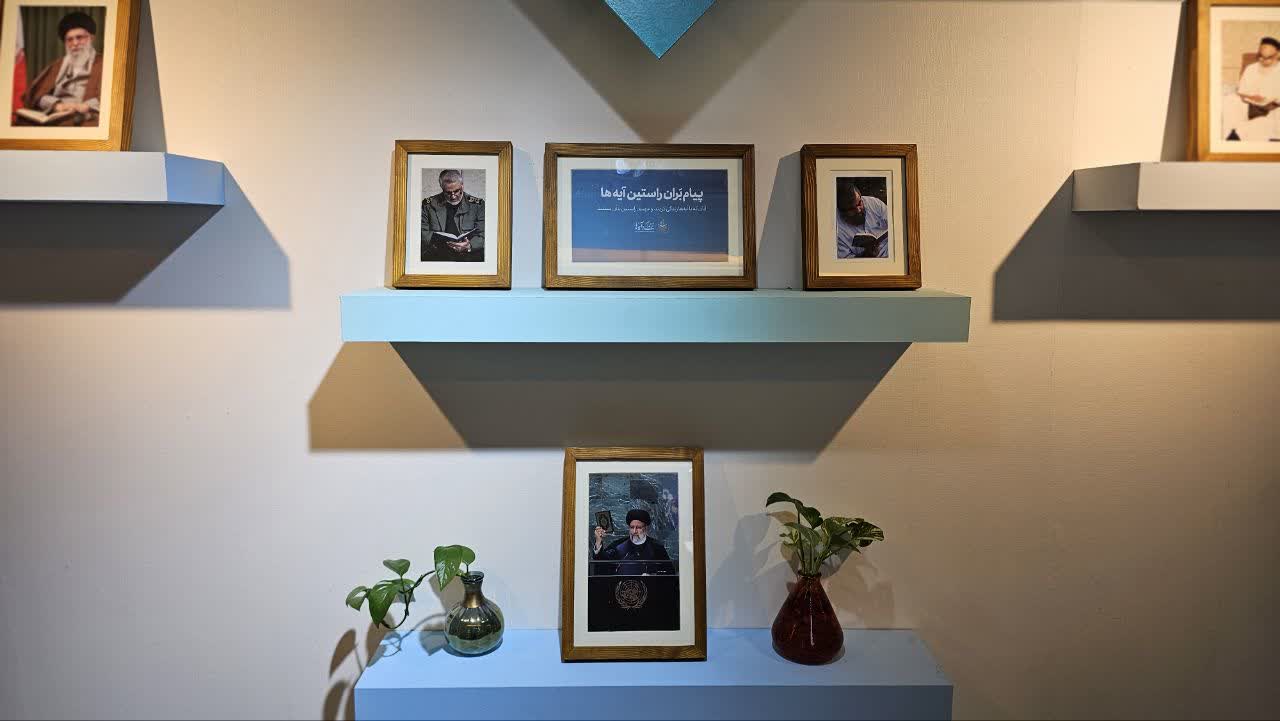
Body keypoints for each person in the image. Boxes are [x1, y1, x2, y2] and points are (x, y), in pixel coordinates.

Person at [20, 11, 103, 127]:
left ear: (91, 38)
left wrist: (87, 105)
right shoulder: (57, 65)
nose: (75, 43)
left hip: (85, 116)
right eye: (69, 39)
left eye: (79, 38)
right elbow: (37, 95)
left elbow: (111, 96)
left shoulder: (103, 63)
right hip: (56, 115)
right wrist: (56, 105)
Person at [1223, 37, 1280, 142]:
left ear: (1278, 55)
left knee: (1269, 122)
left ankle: (1239, 135)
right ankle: (1228, 135)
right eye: (1260, 56)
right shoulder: (1251, 68)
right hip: (1250, 105)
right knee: (1230, 100)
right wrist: (1250, 97)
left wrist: (1273, 100)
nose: (1263, 60)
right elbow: (1241, 91)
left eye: (1268, 57)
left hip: (1273, 109)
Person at [421, 169, 485, 262]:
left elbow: (484, 233)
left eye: (457, 191)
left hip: (469, 255)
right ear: (442, 187)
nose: (453, 196)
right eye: (448, 192)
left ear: (462, 186)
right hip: (438, 254)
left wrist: (469, 245)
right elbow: (422, 232)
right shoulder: (428, 205)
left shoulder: (477, 205)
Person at [591, 509, 673, 576]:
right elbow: (602, 561)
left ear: (646, 528)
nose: (634, 531)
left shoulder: (656, 547)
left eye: (638, 527)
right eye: (632, 527)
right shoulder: (619, 546)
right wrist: (598, 541)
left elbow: (669, 572)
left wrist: (653, 576)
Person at [835, 180, 890, 259]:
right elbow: (847, 263)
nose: (858, 210)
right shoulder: (837, 232)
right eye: (851, 209)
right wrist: (867, 255)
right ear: (841, 211)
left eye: (859, 203)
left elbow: (895, 223)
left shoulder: (874, 203)